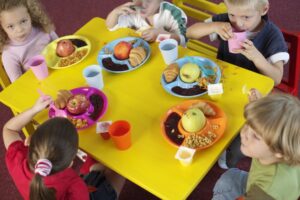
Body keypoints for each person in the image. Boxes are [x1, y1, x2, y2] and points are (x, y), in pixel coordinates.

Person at [187, 0, 289, 169]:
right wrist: (215, 26)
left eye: (246, 17)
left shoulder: (272, 35)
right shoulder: (226, 22)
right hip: (224, 83)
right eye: (232, 14)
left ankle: (229, 159)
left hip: (252, 94)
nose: (238, 23)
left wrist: (257, 57)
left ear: (264, 9)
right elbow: (190, 32)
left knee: (241, 135)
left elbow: (276, 78)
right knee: (202, 109)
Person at [3, 96, 125, 200]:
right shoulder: (75, 184)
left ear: (28, 140)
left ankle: (95, 170)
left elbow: (9, 129)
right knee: (119, 168)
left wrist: (34, 109)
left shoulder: (17, 162)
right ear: (70, 164)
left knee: (98, 168)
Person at [212, 92, 300, 200]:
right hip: (256, 184)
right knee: (228, 178)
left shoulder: (266, 191)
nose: (244, 134)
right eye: (248, 124)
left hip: (261, 192)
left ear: (279, 150)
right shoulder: (287, 145)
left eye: (256, 136)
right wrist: (259, 105)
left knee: (225, 185)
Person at [0, 0, 58, 83]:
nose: (20, 29)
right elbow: (18, 85)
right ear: (2, 28)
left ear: (31, 15)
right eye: (11, 26)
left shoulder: (44, 28)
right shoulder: (9, 54)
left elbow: (62, 47)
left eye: (23, 21)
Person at [106, 0, 187, 46]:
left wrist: (162, 36)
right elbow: (112, 26)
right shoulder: (134, 9)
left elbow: (183, 40)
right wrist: (115, 12)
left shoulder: (174, 14)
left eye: (148, 1)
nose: (139, 4)